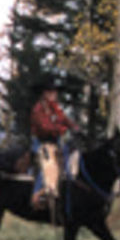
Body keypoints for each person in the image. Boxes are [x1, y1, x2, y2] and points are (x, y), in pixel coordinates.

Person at [29, 78, 78, 209]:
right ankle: (38, 194)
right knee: (47, 162)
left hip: (55, 141)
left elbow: (64, 119)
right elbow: (44, 128)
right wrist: (61, 129)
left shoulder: (55, 108)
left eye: (55, 92)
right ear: (44, 94)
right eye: (50, 92)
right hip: (41, 141)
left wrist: (74, 127)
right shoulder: (38, 109)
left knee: (71, 156)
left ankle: (68, 183)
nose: (54, 94)